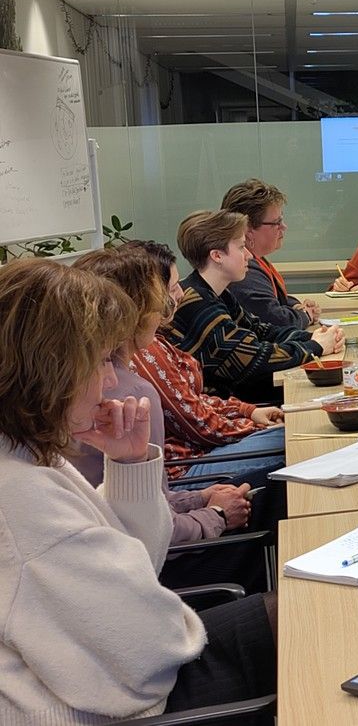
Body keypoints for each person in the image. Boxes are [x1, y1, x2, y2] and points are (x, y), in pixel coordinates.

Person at [0, 259, 276, 723]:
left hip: (122, 679)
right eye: (102, 360)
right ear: (50, 369)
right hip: (121, 706)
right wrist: (178, 621)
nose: (111, 379)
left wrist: (130, 467)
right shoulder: (23, 496)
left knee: (298, 613)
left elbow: (139, 565)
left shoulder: (24, 455)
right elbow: (147, 653)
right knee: (312, 626)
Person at [69, 248, 254, 544]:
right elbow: (150, 530)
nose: (176, 300)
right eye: (168, 292)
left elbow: (140, 504)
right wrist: (217, 514)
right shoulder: (131, 391)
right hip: (163, 561)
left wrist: (200, 499)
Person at [125, 240, 286, 487]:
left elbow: (192, 399)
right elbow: (196, 422)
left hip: (199, 451)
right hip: (185, 469)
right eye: (172, 287)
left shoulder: (156, 337)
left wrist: (247, 411)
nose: (180, 293)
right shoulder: (146, 350)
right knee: (292, 438)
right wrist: (250, 423)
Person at [167, 209, 344, 403]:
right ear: (217, 256)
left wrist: (315, 337)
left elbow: (261, 330)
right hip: (227, 409)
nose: (249, 255)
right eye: (242, 247)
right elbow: (253, 359)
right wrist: (314, 346)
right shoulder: (196, 302)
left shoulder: (218, 293)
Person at [222, 178, 320, 329]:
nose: (284, 227)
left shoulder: (257, 261)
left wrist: (296, 306)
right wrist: (306, 315)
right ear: (248, 230)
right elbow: (276, 320)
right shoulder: (244, 270)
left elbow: (274, 301)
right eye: (276, 222)